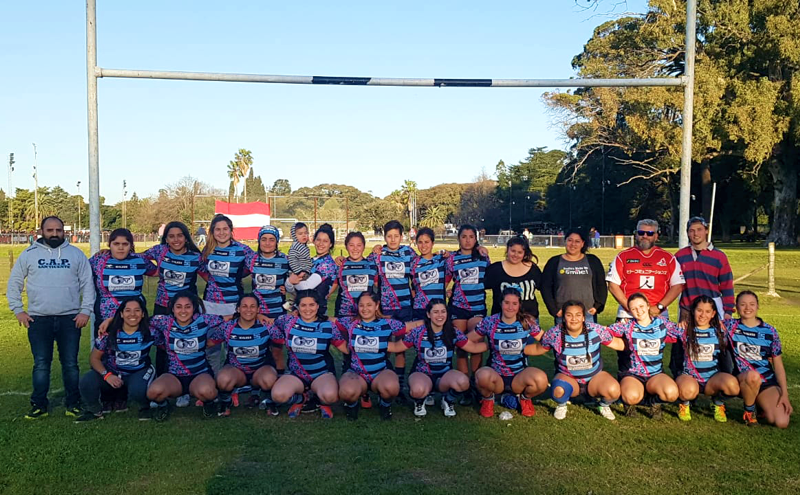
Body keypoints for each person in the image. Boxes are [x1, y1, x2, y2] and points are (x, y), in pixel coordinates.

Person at [7, 216, 95, 419]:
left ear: (64, 231)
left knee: (71, 364)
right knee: (41, 364)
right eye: (50, 230)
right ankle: (39, 405)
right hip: (39, 320)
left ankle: (73, 403)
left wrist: (85, 311)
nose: (54, 234)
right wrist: (18, 310)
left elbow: (88, 285)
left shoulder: (76, 254)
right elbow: (15, 284)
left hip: (70, 319)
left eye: (58, 230)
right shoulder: (28, 254)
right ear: (42, 231)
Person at [525, 300, 624, 420]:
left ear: (583, 317)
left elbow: (618, 344)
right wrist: (516, 349)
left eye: (578, 315)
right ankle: (562, 405)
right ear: (563, 317)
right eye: (569, 315)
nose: (573, 319)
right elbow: (538, 348)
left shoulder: (596, 330)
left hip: (594, 378)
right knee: (558, 391)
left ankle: (603, 405)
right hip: (569, 378)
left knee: (613, 390)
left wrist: (637, 345)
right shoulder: (555, 333)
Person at [139, 291, 229, 421]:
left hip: (199, 373)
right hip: (174, 376)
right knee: (153, 392)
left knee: (208, 392)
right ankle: (164, 406)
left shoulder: (203, 320)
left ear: (194, 308)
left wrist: (258, 316)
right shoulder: (165, 321)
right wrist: (110, 321)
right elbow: (137, 318)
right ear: (173, 309)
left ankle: (208, 404)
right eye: (179, 307)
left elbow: (230, 317)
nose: (183, 311)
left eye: (188, 306)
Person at [469, 287, 548, 418]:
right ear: (501, 303)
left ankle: (524, 398)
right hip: (496, 375)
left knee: (541, 380)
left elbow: (546, 341)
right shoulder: (490, 322)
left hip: (519, 376)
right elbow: (469, 339)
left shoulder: (527, 321)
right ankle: (488, 399)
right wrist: (451, 337)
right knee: (481, 376)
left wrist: (529, 349)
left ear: (519, 305)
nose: (510, 307)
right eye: (507, 303)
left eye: (514, 304)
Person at [400, 299, 487, 418]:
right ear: (428, 314)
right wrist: (378, 344)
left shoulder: (453, 332)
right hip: (422, 374)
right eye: (435, 312)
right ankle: (420, 401)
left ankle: (448, 400)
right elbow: (397, 347)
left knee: (463, 382)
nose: (440, 315)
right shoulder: (418, 332)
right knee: (417, 390)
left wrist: (494, 344)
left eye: (443, 311)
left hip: (444, 377)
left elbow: (473, 347)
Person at [672, 216, 735, 377]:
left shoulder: (719, 256)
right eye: (691, 231)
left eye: (699, 229)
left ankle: (724, 377)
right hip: (687, 307)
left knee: (719, 343)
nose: (695, 234)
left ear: (706, 230)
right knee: (683, 342)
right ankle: (681, 376)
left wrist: (728, 311)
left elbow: (727, 284)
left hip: (712, 308)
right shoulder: (680, 256)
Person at [75, 298, 155, 422]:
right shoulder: (109, 333)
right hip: (113, 372)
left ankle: (144, 407)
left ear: (143, 313)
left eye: (137, 310)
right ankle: (94, 410)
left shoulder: (151, 331)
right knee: (87, 381)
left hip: (138, 371)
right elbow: (94, 358)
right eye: (128, 311)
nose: (132, 314)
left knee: (138, 390)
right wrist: (107, 376)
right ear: (121, 314)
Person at [143, 221, 206, 376]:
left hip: (187, 308)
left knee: (187, 345)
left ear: (186, 238)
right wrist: (154, 271)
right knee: (163, 344)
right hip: (163, 306)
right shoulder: (160, 251)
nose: (176, 239)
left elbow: (210, 277)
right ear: (166, 239)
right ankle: (162, 379)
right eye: (171, 236)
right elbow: (137, 257)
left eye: (179, 236)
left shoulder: (196, 257)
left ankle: (187, 381)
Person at [336, 292, 408, 421]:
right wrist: (299, 315)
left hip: (380, 371)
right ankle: (352, 405)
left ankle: (385, 405)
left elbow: (409, 327)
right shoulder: (349, 322)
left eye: (369, 305)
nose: (365, 308)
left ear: (377, 305)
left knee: (391, 387)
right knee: (346, 391)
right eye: (361, 305)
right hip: (356, 372)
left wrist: (432, 319)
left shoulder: (388, 323)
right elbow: (330, 321)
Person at [269, 291, 341, 419]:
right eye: (303, 305)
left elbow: (345, 347)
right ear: (297, 307)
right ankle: (302, 397)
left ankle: (320, 399)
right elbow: (270, 323)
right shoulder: (288, 321)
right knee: (278, 396)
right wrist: (256, 316)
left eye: (312, 305)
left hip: (321, 373)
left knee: (330, 397)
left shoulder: (328, 325)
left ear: (318, 306)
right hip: (296, 374)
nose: (308, 309)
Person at [607, 293, 681, 418]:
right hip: (633, 374)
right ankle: (629, 403)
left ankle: (654, 403)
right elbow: (605, 331)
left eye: (641, 306)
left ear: (648, 306)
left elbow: (682, 332)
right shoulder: (627, 325)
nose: (639, 311)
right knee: (631, 396)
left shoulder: (662, 324)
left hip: (655, 374)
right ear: (630, 311)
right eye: (634, 309)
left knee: (671, 393)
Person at [725, 291, 792, 428]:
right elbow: (704, 321)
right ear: (736, 307)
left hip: (766, 381)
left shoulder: (770, 331)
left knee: (781, 422)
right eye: (743, 304)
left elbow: (778, 365)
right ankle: (750, 412)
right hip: (742, 378)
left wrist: (784, 394)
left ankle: (760, 406)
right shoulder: (729, 326)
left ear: (758, 306)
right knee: (752, 375)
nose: (747, 308)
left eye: (752, 304)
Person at [214, 294, 284, 417]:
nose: (248, 310)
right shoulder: (227, 327)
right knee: (223, 379)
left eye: (252, 306)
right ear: (238, 309)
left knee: (269, 379)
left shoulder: (266, 326)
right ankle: (225, 400)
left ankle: (266, 398)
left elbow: (280, 342)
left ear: (258, 310)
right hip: (236, 370)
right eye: (244, 306)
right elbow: (211, 342)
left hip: (260, 369)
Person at [674, 295, 740, 423]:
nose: (703, 315)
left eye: (707, 311)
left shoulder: (720, 332)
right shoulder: (683, 330)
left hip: (712, 379)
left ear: (713, 313)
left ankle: (718, 402)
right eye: (699, 310)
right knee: (688, 391)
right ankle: (685, 404)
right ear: (693, 311)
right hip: (690, 377)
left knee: (733, 386)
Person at [606, 219, 685, 321]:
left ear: (656, 236)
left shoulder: (668, 258)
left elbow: (677, 286)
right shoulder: (623, 256)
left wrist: (659, 307)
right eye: (641, 233)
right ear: (636, 234)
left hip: (658, 315)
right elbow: (613, 285)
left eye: (650, 233)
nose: (645, 236)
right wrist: (630, 307)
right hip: (628, 315)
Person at [88, 228, 158, 337]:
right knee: (104, 352)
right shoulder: (99, 260)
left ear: (130, 245)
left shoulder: (140, 260)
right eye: (116, 244)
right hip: (105, 317)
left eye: (125, 244)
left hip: (134, 317)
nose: (120, 247)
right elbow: (80, 273)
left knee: (134, 351)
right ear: (109, 244)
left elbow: (158, 273)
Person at [448, 225, 491, 376]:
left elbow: (491, 278)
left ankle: (476, 381)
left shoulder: (483, 257)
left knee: (476, 343)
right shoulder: (452, 258)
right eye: (464, 236)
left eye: (471, 237)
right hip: (458, 308)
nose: (467, 240)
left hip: (477, 307)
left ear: (476, 238)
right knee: (461, 345)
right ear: (458, 238)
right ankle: (465, 383)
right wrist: (447, 291)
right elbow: (444, 281)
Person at [541, 229, 607, 324]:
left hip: (588, 314)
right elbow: (545, 287)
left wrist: (598, 306)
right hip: (563, 314)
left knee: (589, 339)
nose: (573, 244)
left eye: (577, 241)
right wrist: (554, 309)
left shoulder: (593, 261)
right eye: (570, 240)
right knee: (565, 339)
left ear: (582, 243)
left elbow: (601, 285)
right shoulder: (554, 262)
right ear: (565, 241)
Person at [201, 214, 255, 316]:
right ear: (212, 231)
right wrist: (216, 283)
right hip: (210, 302)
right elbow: (202, 270)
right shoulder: (207, 250)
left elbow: (257, 267)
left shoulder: (242, 250)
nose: (221, 233)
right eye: (218, 229)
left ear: (231, 230)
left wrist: (237, 276)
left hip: (234, 302)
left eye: (225, 229)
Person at [485, 236, 542, 320]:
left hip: (529, 321)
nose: (515, 255)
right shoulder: (495, 269)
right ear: (507, 250)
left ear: (524, 253)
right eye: (513, 251)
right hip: (501, 321)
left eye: (519, 252)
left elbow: (546, 288)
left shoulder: (533, 269)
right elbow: (478, 286)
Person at [245, 225, 290, 319]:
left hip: (278, 312)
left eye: (272, 240)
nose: (267, 243)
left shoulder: (285, 260)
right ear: (259, 241)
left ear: (277, 242)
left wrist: (290, 290)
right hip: (256, 312)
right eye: (264, 239)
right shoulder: (251, 259)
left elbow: (300, 280)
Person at [410, 227, 450, 322]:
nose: (423, 246)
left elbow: (461, 254)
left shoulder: (442, 259)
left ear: (432, 243)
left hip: (438, 309)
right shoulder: (412, 263)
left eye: (427, 242)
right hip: (420, 309)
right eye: (420, 242)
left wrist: (479, 247)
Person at [335, 231, 379, 319]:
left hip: (366, 315)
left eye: (359, 245)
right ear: (346, 246)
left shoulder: (372, 266)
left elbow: (380, 288)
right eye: (351, 245)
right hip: (345, 315)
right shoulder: (339, 266)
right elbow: (329, 289)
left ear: (364, 247)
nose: (355, 249)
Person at [284, 222, 312, 310]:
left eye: (305, 233)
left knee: (302, 293)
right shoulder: (296, 247)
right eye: (300, 234)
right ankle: (291, 303)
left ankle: (293, 303)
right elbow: (292, 259)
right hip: (300, 273)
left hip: (304, 272)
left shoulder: (303, 246)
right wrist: (299, 271)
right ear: (294, 236)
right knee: (301, 292)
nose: (304, 236)